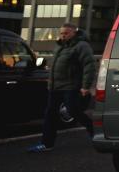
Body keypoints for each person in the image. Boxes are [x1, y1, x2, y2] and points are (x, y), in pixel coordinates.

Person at [28, 23, 96, 152]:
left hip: (71, 86)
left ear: (74, 33)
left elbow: (89, 66)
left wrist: (86, 86)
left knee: (73, 111)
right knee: (50, 114)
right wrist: (50, 83)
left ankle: (93, 130)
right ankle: (47, 143)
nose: (63, 36)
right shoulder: (59, 47)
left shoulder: (81, 46)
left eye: (66, 33)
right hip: (55, 87)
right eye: (62, 33)